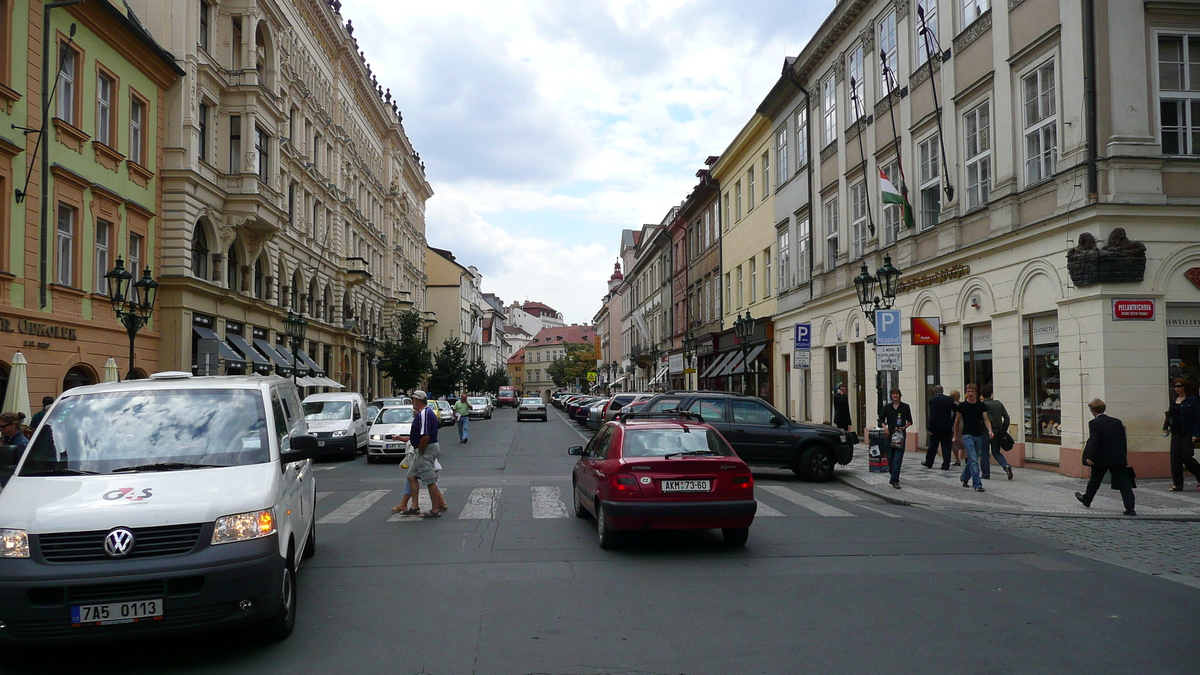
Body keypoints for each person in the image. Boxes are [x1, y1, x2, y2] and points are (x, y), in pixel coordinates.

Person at [1076, 398, 1136, 515]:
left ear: (1093, 411)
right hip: (1117, 458)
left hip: (1100, 458)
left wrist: (1090, 457)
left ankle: (1087, 500)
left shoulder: (1094, 423)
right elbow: (1123, 440)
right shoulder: (1117, 422)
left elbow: (1094, 441)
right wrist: (1123, 457)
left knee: (1095, 480)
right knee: (1124, 484)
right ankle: (1130, 507)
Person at [406, 391, 447, 518]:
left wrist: (421, 450)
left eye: (413, 400)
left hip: (426, 448)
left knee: (429, 480)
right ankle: (414, 506)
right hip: (424, 448)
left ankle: (435, 509)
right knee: (412, 475)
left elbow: (425, 436)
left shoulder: (424, 413)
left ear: (417, 401)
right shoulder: (424, 413)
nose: (412, 402)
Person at [955, 384, 993, 492]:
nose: (970, 393)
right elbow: (957, 421)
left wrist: (990, 430)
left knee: (973, 459)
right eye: (968, 391)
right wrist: (955, 435)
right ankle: (977, 484)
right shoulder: (962, 406)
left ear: (976, 393)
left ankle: (964, 477)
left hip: (978, 435)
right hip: (967, 435)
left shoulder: (981, 406)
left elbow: (986, 419)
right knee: (973, 459)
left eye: (972, 391)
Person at [1165, 378, 1200, 491]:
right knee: (1175, 458)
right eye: (1175, 386)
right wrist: (1165, 428)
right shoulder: (1173, 399)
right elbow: (1170, 415)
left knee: (1187, 457)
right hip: (1176, 432)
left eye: (1179, 386)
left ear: (1184, 387)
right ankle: (1178, 484)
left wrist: (1196, 434)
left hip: (1188, 432)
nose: (1177, 388)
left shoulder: (1192, 400)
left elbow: (1197, 417)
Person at [878, 388, 913, 489]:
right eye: (893, 394)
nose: (895, 396)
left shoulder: (905, 407)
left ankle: (895, 480)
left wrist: (904, 427)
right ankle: (893, 474)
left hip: (900, 436)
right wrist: (885, 428)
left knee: (897, 459)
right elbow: (881, 418)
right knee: (890, 458)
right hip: (889, 435)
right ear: (891, 396)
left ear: (900, 395)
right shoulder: (887, 407)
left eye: (897, 394)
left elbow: (910, 421)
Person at [981, 385, 1014, 480]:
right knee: (996, 452)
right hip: (998, 431)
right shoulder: (998, 403)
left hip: (985, 432)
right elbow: (1007, 418)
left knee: (984, 453)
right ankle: (1005, 465)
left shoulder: (982, 405)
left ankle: (985, 474)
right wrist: (1003, 430)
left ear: (982, 395)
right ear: (992, 394)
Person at [923, 384, 956, 470]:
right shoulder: (949, 399)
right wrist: (952, 420)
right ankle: (946, 464)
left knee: (933, 445)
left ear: (935, 391)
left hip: (936, 427)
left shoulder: (933, 400)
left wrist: (930, 428)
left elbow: (932, 415)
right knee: (946, 446)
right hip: (947, 426)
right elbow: (956, 410)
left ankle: (929, 462)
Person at [949, 390, 965, 466]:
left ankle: (957, 459)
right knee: (964, 443)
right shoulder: (962, 404)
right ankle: (966, 457)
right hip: (964, 425)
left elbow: (951, 416)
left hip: (955, 425)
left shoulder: (952, 405)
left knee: (955, 444)